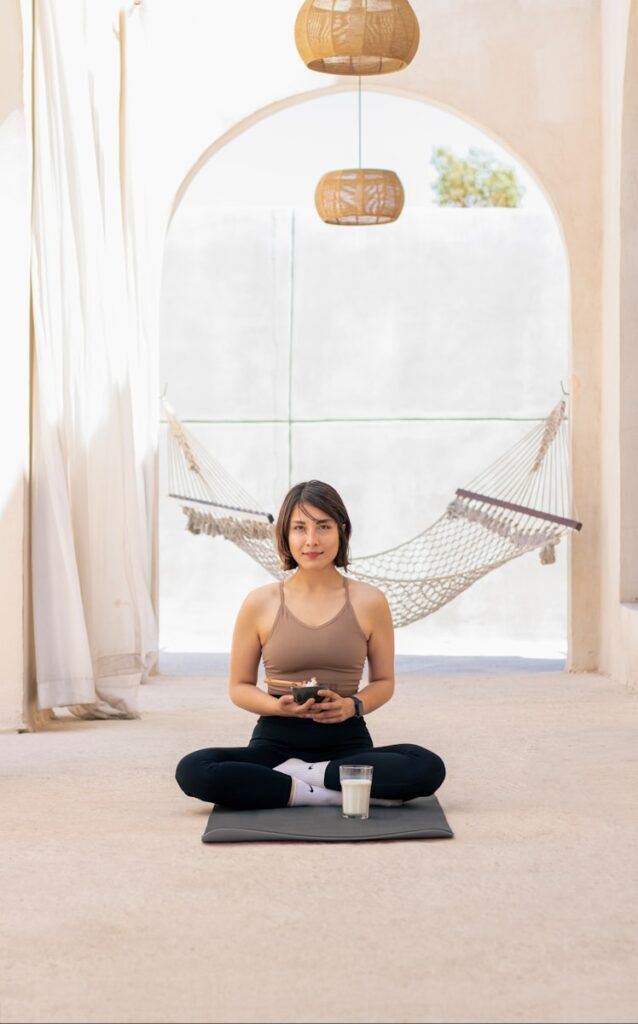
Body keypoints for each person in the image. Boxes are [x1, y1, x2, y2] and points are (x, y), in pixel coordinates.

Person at [175, 480, 446, 811]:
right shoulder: (260, 602)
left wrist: (352, 706)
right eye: (300, 528)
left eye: (323, 527)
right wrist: (277, 707)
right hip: (274, 743)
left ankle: (298, 780)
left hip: (347, 743)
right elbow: (239, 686)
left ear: (341, 530)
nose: (311, 540)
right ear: (286, 537)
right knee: (194, 770)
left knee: (426, 766)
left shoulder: (370, 601)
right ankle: (331, 792)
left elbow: (384, 682)